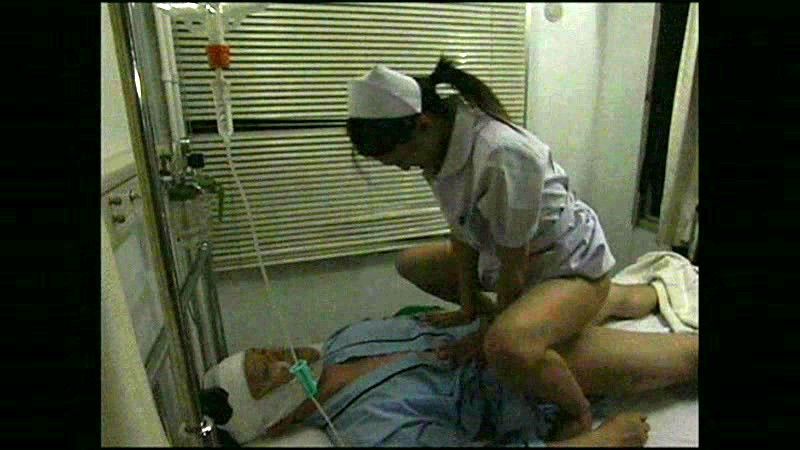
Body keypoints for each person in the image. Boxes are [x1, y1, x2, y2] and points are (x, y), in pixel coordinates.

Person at [346, 57, 619, 430]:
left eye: (402, 159)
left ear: (424, 125)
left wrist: (488, 335)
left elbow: (514, 268)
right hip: (515, 259)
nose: (405, 168)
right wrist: (468, 307)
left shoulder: (501, 154)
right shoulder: (438, 147)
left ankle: (579, 412)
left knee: (505, 347)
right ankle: (625, 298)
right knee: (410, 262)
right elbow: (462, 232)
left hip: (568, 265)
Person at [202, 283, 696, 447]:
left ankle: (657, 289)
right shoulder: (373, 431)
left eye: (265, 350)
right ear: (276, 419)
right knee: (688, 358)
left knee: (606, 292)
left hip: (505, 329)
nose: (279, 355)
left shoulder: (344, 341)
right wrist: (601, 441)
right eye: (266, 373)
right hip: (521, 375)